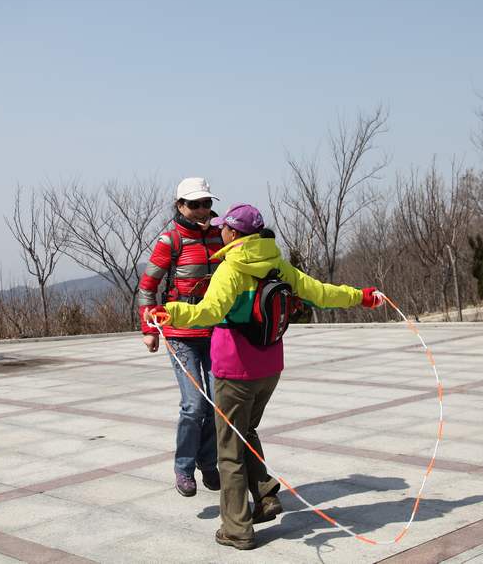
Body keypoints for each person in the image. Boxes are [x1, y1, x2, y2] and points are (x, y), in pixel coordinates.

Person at [144, 203, 383, 550]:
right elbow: (320, 291)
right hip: (270, 368)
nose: (219, 228)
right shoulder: (277, 263)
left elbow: (208, 312)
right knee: (246, 430)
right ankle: (266, 494)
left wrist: (169, 312)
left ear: (235, 234)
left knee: (229, 450)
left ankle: (237, 529)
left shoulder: (231, 269)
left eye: (224, 225)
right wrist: (360, 297)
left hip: (234, 369)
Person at [136, 177, 224, 497]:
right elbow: (148, 287)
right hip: (179, 333)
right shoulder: (169, 240)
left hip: (215, 331)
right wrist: (149, 330)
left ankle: (209, 461)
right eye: (194, 204)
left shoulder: (220, 237)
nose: (202, 210)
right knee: (194, 404)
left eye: (207, 203)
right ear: (180, 206)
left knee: (220, 402)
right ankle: (184, 468)